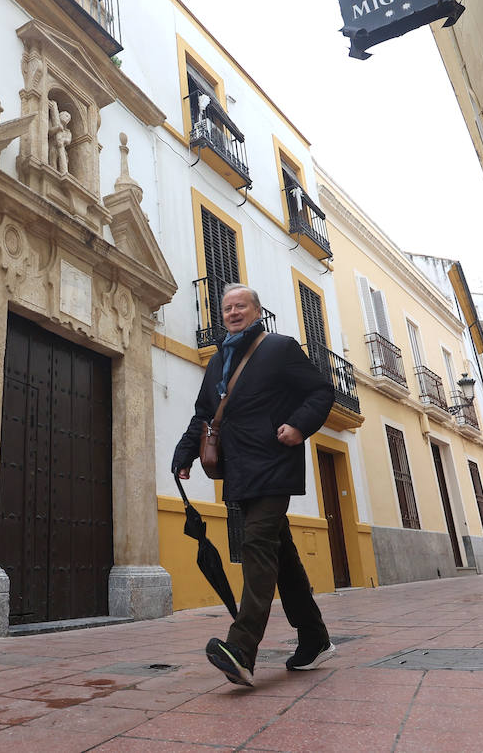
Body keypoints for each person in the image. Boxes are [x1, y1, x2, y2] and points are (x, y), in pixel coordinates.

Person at [172, 283, 337, 686]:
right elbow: (204, 415)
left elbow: (320, 391)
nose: (232, 312)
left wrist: (299, 425)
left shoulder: (279, 348)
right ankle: (315, 639)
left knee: (256, 546)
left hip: (273, 463)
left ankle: (242, 648)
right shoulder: (216, 363)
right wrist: (184, 452)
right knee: (282, 557)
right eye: (227, 307)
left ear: (256, 311)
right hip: (239, 470)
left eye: (240, 306)